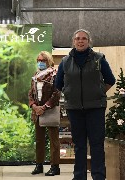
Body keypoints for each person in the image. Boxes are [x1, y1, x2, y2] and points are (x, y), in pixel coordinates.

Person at [55, 29, 116, 180]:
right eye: (77, 39)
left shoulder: (99, 59)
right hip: (74, 109)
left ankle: (98, 176)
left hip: (95, 108)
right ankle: (79, 176)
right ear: (73, 41)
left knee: (96, 145)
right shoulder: (65, 62)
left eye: (84, 39)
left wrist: (99, 92)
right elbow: (58, 83)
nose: (80, 41)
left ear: (89, 42)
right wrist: (70, 93)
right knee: (79, 145)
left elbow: (110, 79)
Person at [28, 51, 61, 176]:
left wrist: (45, 107)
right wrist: (35, 106)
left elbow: (57, 93)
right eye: (38, 60)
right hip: (37, 112)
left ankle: (55, 166)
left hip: (50, 110)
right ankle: (39, 165)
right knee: (39, 140)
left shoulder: (55, 75)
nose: (40, 63)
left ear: (48, 61)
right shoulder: (36, 75)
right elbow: (30, 93)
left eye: (43, 60)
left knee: (54, 141)